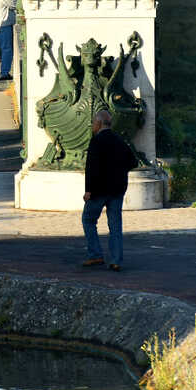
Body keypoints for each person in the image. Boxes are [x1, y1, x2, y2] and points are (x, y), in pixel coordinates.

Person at [82, 109, 138, 271]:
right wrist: (119, 170)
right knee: (115, 225)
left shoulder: (96, 141)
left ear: (98, 123)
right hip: (117, 189)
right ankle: (116, 260)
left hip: (99, 190)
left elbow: (91, 167)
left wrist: (88, 190)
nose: (93, 125)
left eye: (94, 122)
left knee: (88, 220)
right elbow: (133, 162)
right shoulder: (119, 140)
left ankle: (95, 254)